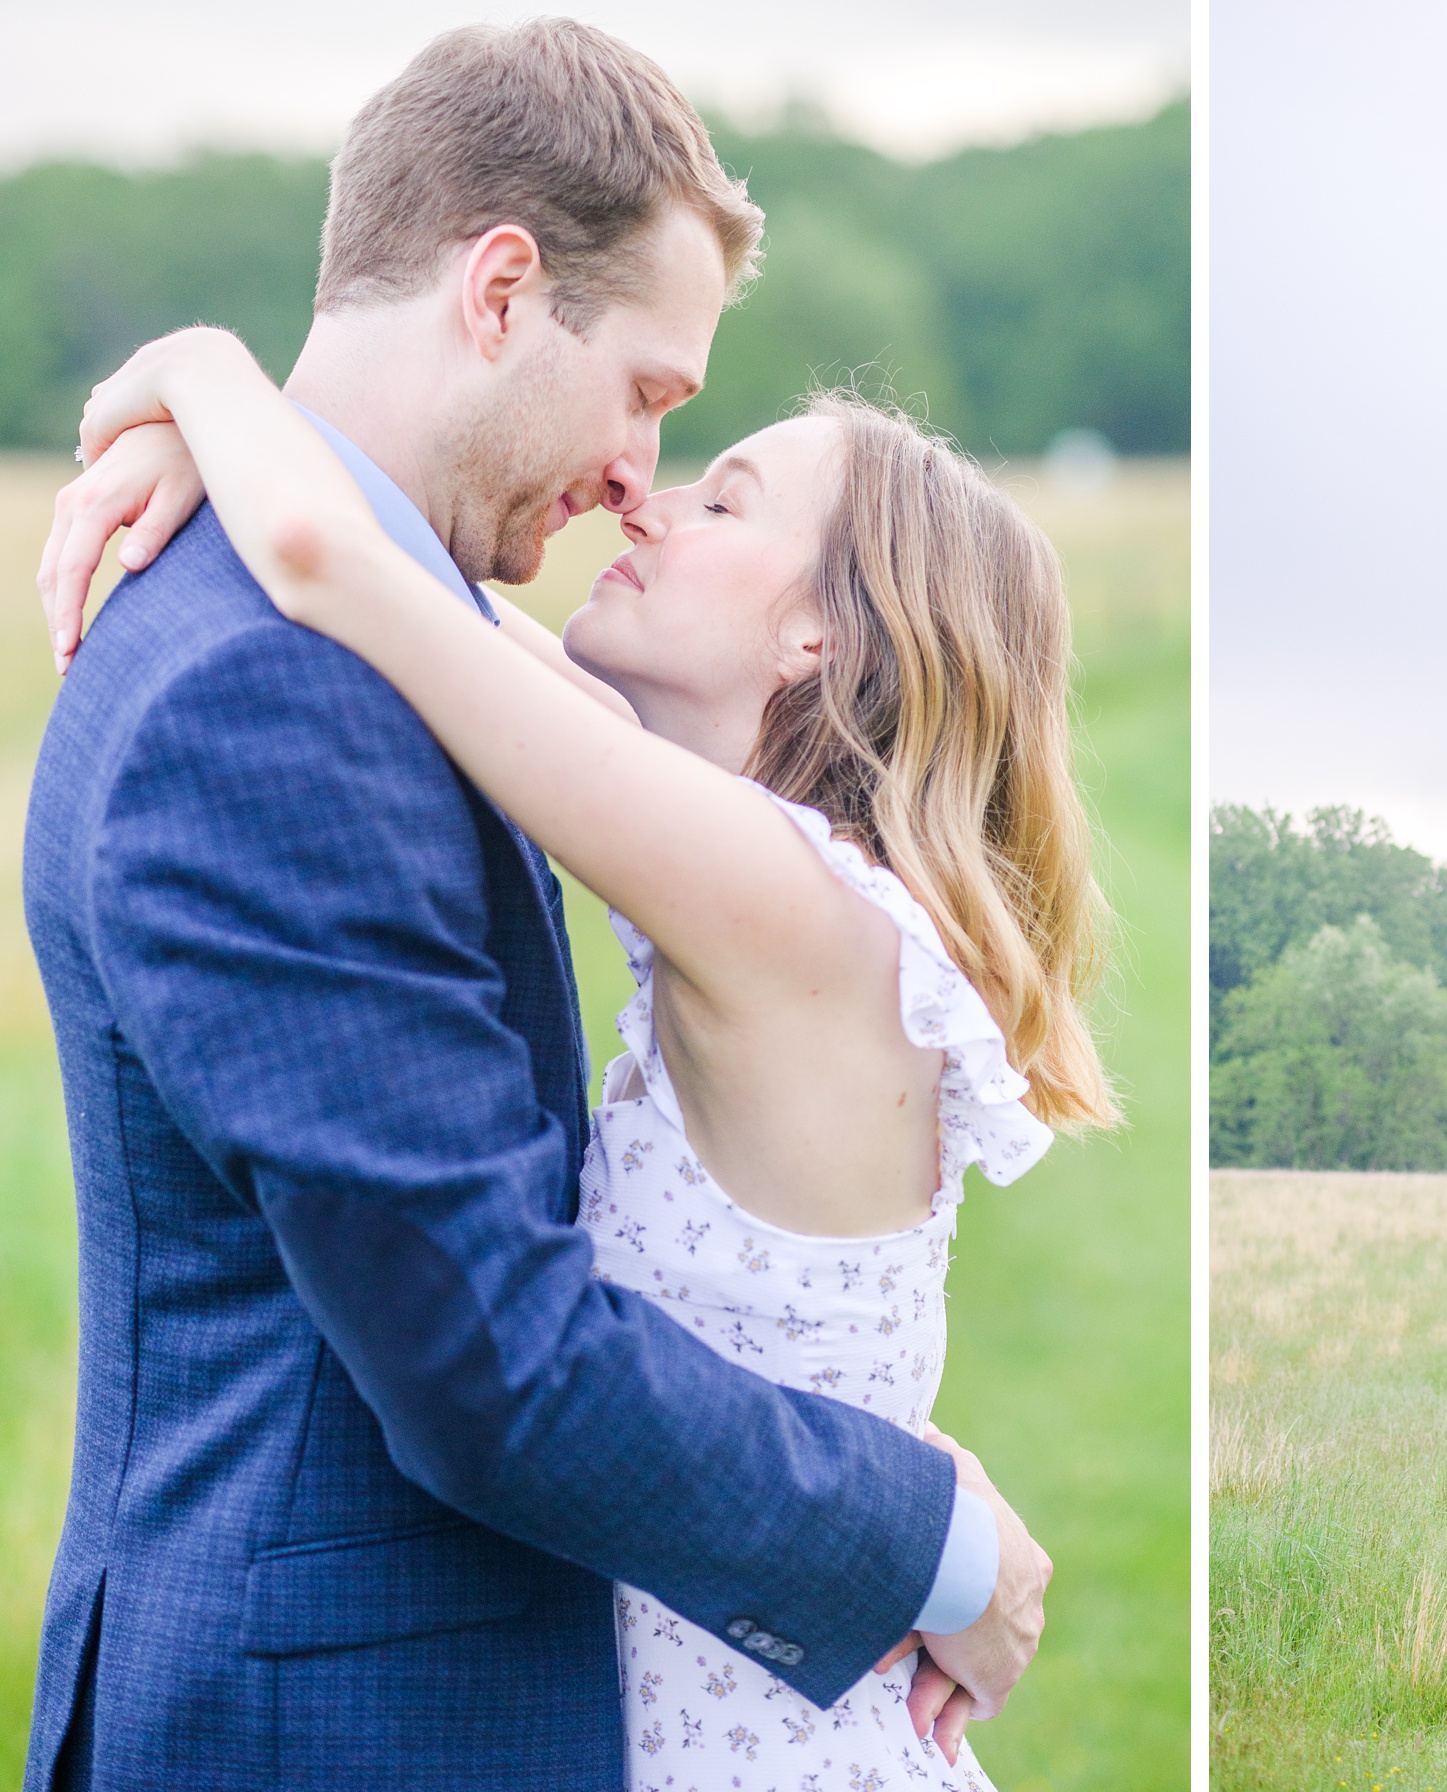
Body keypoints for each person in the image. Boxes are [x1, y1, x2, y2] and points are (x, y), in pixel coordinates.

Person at [27, 23, 1064, 1789]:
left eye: (702, 460)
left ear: (821, 631)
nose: (638, 480)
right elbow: (494, 1362)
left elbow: (359, 571)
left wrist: (207, 382)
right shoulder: (269, 689)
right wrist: (930, 1539)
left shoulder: (736, 865)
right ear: (501, 291)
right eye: (656, 395)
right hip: (335, 1718)